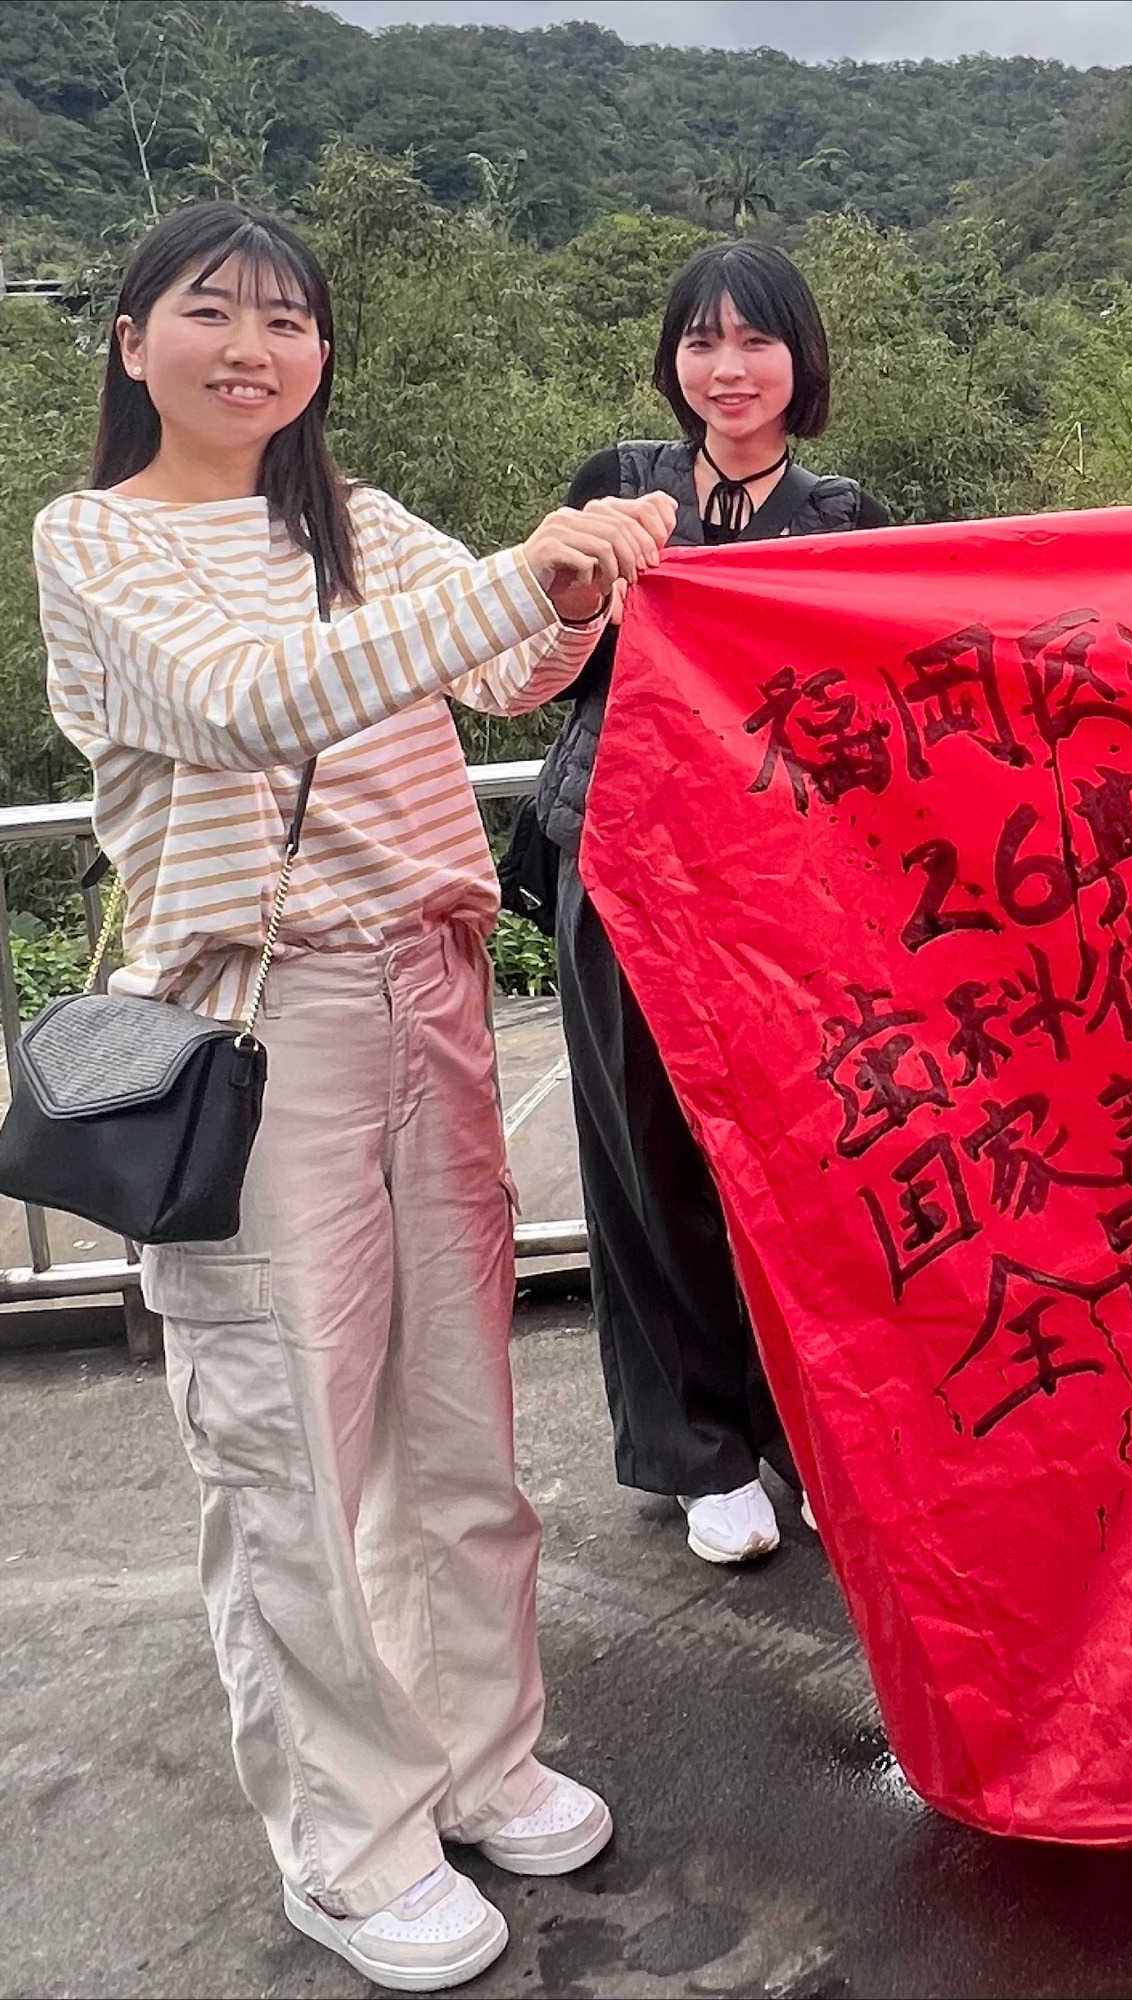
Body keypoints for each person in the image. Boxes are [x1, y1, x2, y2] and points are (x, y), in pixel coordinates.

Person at [31, 201, 676, 1993]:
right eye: (211, 312)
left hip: (434, 991)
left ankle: (480, 1754)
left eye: (288, 320)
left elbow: (502, 667)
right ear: (132, 342)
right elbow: (242, 705)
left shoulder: (361, 520)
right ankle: (347, 1837)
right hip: (264, 1023)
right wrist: (516, 575)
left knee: (456, 1424)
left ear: (320, 354)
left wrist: (574, 595)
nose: (253, 348)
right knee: (289, 1450)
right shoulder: (95, 541)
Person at [532, 241, 888, 1566]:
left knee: (800, 1163)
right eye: (700, 341)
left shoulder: (844, 517)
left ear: (801, 358)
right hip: (617, 857)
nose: (726, 368)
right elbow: (549, 658)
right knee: (641, 1157)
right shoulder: (616, 490)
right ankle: (700, 1448)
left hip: (778, 884)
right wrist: (581, 586)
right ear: (670, 359)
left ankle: (811, 1432)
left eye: (753, 340)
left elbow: (870, 708)